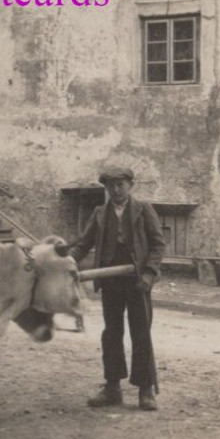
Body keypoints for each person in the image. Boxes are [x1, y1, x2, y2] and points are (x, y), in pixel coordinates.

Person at [69, 165, 165, 411]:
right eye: (111, 186)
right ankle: (113, 388)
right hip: (110, 280)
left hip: (137, 281)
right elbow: (84, 243)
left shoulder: (143, 210)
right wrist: (69, 261)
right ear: (107, 188)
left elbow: (158, 245)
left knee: (141, 333)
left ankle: (146, 390)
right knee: (112, 334)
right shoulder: (100, 213)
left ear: (130, 186)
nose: (116, 189)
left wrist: (148, 273)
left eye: (120, 184)